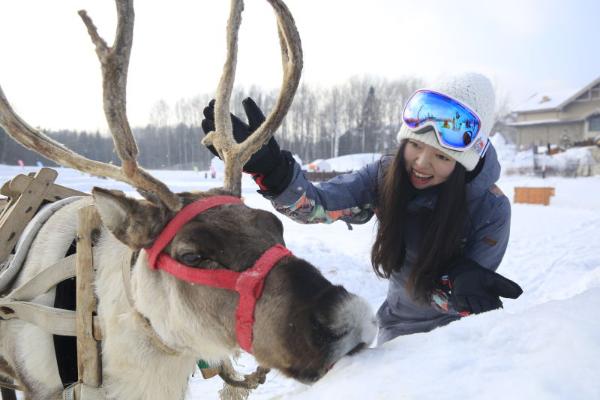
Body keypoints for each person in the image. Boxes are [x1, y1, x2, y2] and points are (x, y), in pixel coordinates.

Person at [201, 72, 523, 344]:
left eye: (442, 157)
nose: (422, 164)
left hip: (456, 340)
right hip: (394, 331)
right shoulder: (387, 176)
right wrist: (274, 171)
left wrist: (461, 283)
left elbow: (467, 305)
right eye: (415, 145)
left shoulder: (490, 211)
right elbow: (318, 206)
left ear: (465, 162)